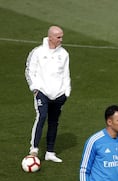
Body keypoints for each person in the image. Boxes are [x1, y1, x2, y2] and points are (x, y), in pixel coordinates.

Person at [25, 26, 71, 162]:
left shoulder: (64, 54)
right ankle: (34, 149)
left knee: (54, 122)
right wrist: (34, 88)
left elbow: (66, 74)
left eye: (61, 36)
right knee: (42, 116)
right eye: (58, 37)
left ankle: (50, 152)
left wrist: (66, 92)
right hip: (42, 92)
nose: (61, 39)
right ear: (50, 37)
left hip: (59, 94)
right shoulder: (37, 52)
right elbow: (29, 70)